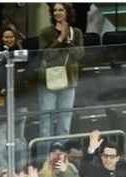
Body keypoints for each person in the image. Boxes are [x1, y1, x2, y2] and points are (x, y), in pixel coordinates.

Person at [0, 21, 31, 174]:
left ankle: (20, 167)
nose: (8, 39)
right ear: (1, 38)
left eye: (11, 37)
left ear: (15, 38)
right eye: (6, 37)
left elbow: (25, 77)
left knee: (19, 138)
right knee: (1, 139)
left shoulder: (22, 53)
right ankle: (3, 169)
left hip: (19, 103)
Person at [36, 2, 84, 141]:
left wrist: (68, 41)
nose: (57, 12)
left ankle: (60, 154)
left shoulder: (76, 32)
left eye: (61, 10)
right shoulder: (45, 32)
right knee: (46, 120)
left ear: (67, 12)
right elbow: (47, 56)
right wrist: (60, 39)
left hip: (69, 80)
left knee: (65, 119)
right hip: (48, 80)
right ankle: (44, 156)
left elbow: (79, 54)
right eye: (55, 10)